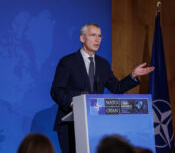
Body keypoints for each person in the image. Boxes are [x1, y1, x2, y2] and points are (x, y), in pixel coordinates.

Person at [50, 23, 154, 153]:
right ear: (82, 38)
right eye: (93, 35)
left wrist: (133, 75)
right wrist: (74, 104)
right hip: (71, 126)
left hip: (95, 125)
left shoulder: (103, 64)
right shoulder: (68, 62)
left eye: (99, 36)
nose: (97, 39)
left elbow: (117, 88)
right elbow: (56, 91)